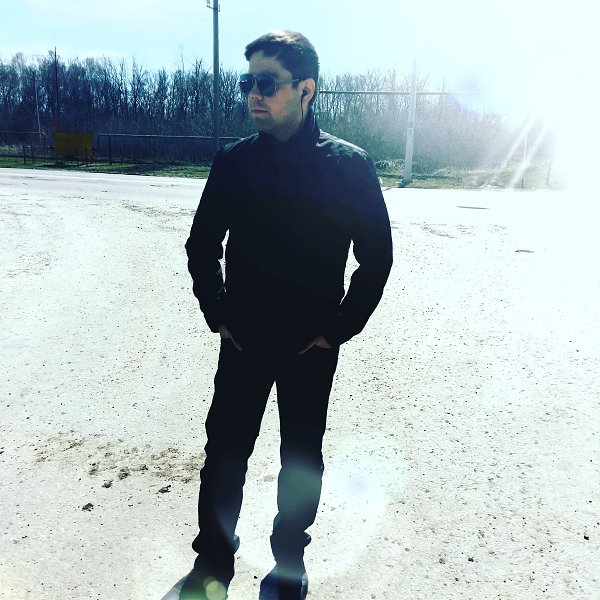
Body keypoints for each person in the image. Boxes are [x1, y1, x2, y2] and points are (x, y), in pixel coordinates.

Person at [180, 29, 393, 600]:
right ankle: (213, 560)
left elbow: (376, 258)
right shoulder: (234, 162)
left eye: (267, 82)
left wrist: (338, 329)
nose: (253, 93)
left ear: (306, 89)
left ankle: (289, 564)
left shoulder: (348, 166)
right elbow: (202, 245)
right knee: (225, 454)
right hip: (243, 341)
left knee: (300, 458)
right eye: (247, 82)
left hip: (309, 348)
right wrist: (217, 311)